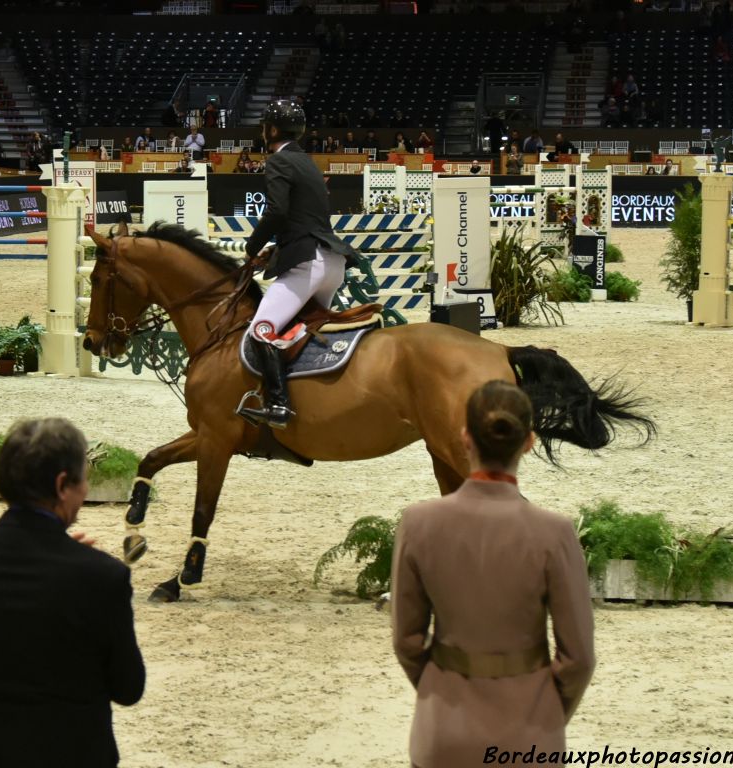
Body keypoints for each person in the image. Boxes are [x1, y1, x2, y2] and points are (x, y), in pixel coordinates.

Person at [391, 380, 595, 768]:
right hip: (529, 733)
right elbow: (579, 657)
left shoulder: (418, 524)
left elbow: (407, 640)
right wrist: (547, 716)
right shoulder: (554, 533)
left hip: (444, 732)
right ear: (529, 442)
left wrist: (439, 688)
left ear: (466, 438)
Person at [0, 418, 145, 768]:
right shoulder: (102, 577)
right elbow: (128, 688)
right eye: (83, 480)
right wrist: (70, 561)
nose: (85, 491)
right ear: (62, 485)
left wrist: (57, 555)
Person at [238, 100, 361, 429]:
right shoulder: (307, 162)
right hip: (332, 264)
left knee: (262, 330)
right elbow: (303, 220)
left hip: (309, 264)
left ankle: (278, 404)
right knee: (301, 331)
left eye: (266, 126)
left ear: (272, 130)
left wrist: (252, 248)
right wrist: (275, 253)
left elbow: (277, 212)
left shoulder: (278, 161)